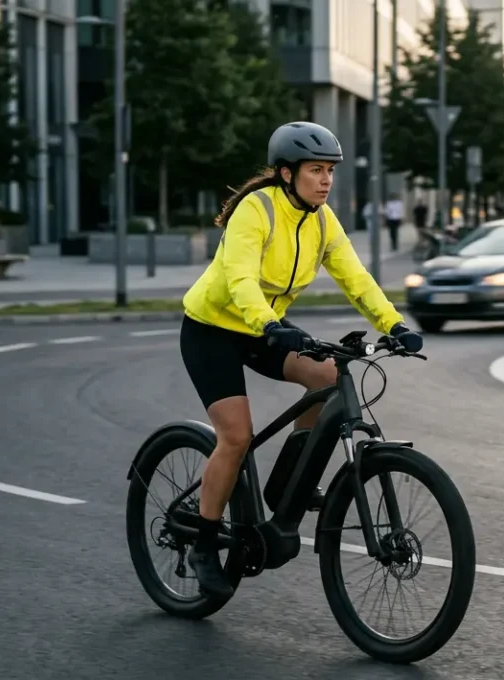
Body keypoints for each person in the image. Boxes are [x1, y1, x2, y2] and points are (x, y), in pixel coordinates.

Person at [178, 121, 424, 598]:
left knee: (328, 378)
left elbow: (356, 278)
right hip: (213, 330)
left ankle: (287, 485)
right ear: (287, 174)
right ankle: (204, 543)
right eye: (316, 170)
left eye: (330, 170)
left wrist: (394, 325)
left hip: (265, 327)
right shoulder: (257, 210)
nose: (326, 180)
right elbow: (240, 279)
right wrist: (270, 325)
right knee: (236, 436)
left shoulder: (322, 220)